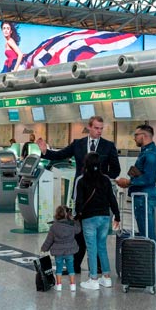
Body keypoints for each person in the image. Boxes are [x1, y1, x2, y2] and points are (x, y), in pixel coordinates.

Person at [37, 116, 121, 273]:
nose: (99, 131)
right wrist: (45, 152)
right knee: (79, 232)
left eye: (101, 128)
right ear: (89, 127)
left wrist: (99, 177)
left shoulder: (108, 146)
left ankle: (98, 269)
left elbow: (116, 170)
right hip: (81, 194)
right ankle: (75, 266)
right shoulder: (78, 144)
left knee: (96, 236)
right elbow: (60, 154)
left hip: (99, 195)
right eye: (96, 128)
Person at [75, 152, 121, 290]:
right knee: (102, 247)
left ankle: (93, 279)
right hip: (104, 218)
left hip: (89, 218)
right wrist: (117, 216)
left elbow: (79, 202)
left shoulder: (82, 180)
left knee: (91, 248)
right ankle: (106, 278)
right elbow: (112, 199)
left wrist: (77, 215)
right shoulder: (105, 180)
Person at [116, 124, 156, 240]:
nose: (134, 138)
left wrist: (128, 182)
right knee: (145, 229)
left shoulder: (151, 154)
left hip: (144, 197)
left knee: (146, 231)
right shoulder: (147, 151)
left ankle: (150, 256)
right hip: (142, 196)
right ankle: (150, 255)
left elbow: (148, 178)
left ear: (144, 136)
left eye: (136, 135)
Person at [40, 205, 80, 292]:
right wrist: (75, 220)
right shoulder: (72, 225)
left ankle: (59, 285)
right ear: (68, 214)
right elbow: (78, 230)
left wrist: (43, 249)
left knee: (59, 268)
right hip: (70, 251)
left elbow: (49, 240)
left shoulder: (54, 227)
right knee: (71, 268)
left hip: (58, 252)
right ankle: (72, 285)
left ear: (57, 215)